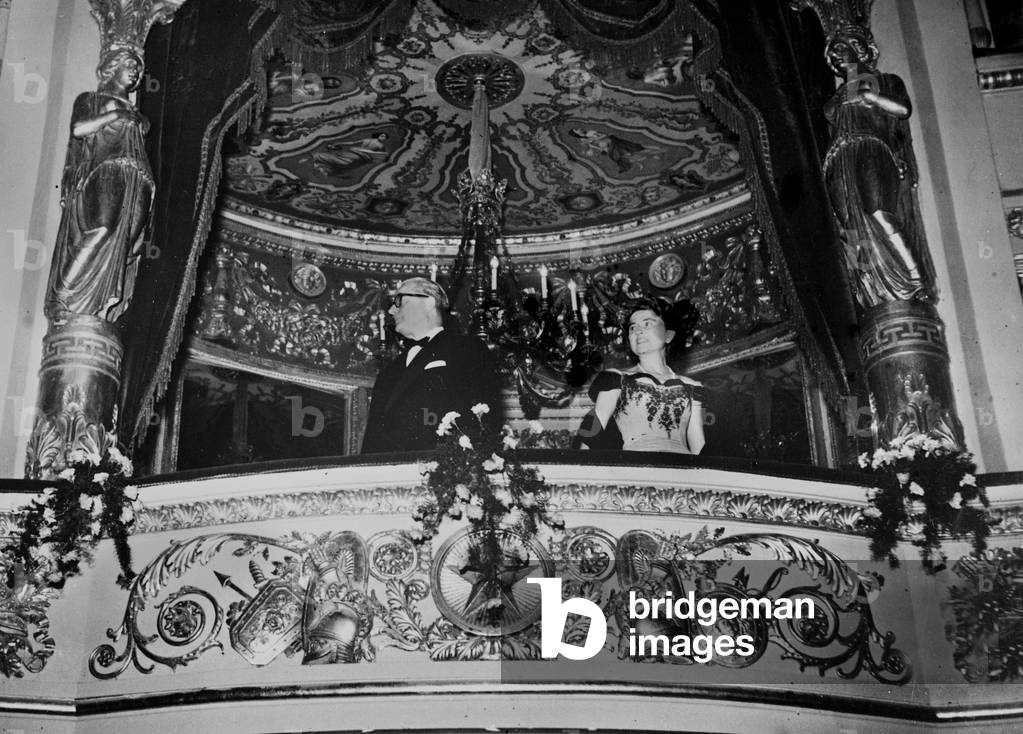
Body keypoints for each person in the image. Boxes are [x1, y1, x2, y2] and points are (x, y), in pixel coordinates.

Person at [821, 25, 934, 308]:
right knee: (849, 228)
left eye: (839, 47)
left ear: (858, 48)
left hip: (872, 147)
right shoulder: (833, 101)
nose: (835, 56)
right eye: (831, 53)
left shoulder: (885, 81)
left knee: (878, 212)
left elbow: (903, 110)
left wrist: (871, 98)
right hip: (838, 157)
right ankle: (868, 290)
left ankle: (915, 278)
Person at [45, 47, 154, 324]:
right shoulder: (91, 99)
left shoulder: (141, 118)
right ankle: (64, 300)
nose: (136, 72)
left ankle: (103, 311)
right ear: (111, 67)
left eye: (139, 69)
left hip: (138, 176)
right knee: (103, 228)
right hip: (105, 170)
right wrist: (115, 115)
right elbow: (79, 129)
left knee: (129, 242)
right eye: (130, 64)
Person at [361, 277, 497, 453]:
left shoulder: (467, 349)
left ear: (429, 302)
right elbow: (373, 439)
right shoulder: (389, 370)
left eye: (399, 301)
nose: (391, 310)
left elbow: (483, 420)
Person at [574, 299, 706, 454]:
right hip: (637, 469)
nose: (638, 331)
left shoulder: (691, 386)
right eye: (632, 327)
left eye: (647, 324)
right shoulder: (618, 379)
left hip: (682, 472)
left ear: (669, 335)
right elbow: (593, 427)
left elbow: (698, 445)